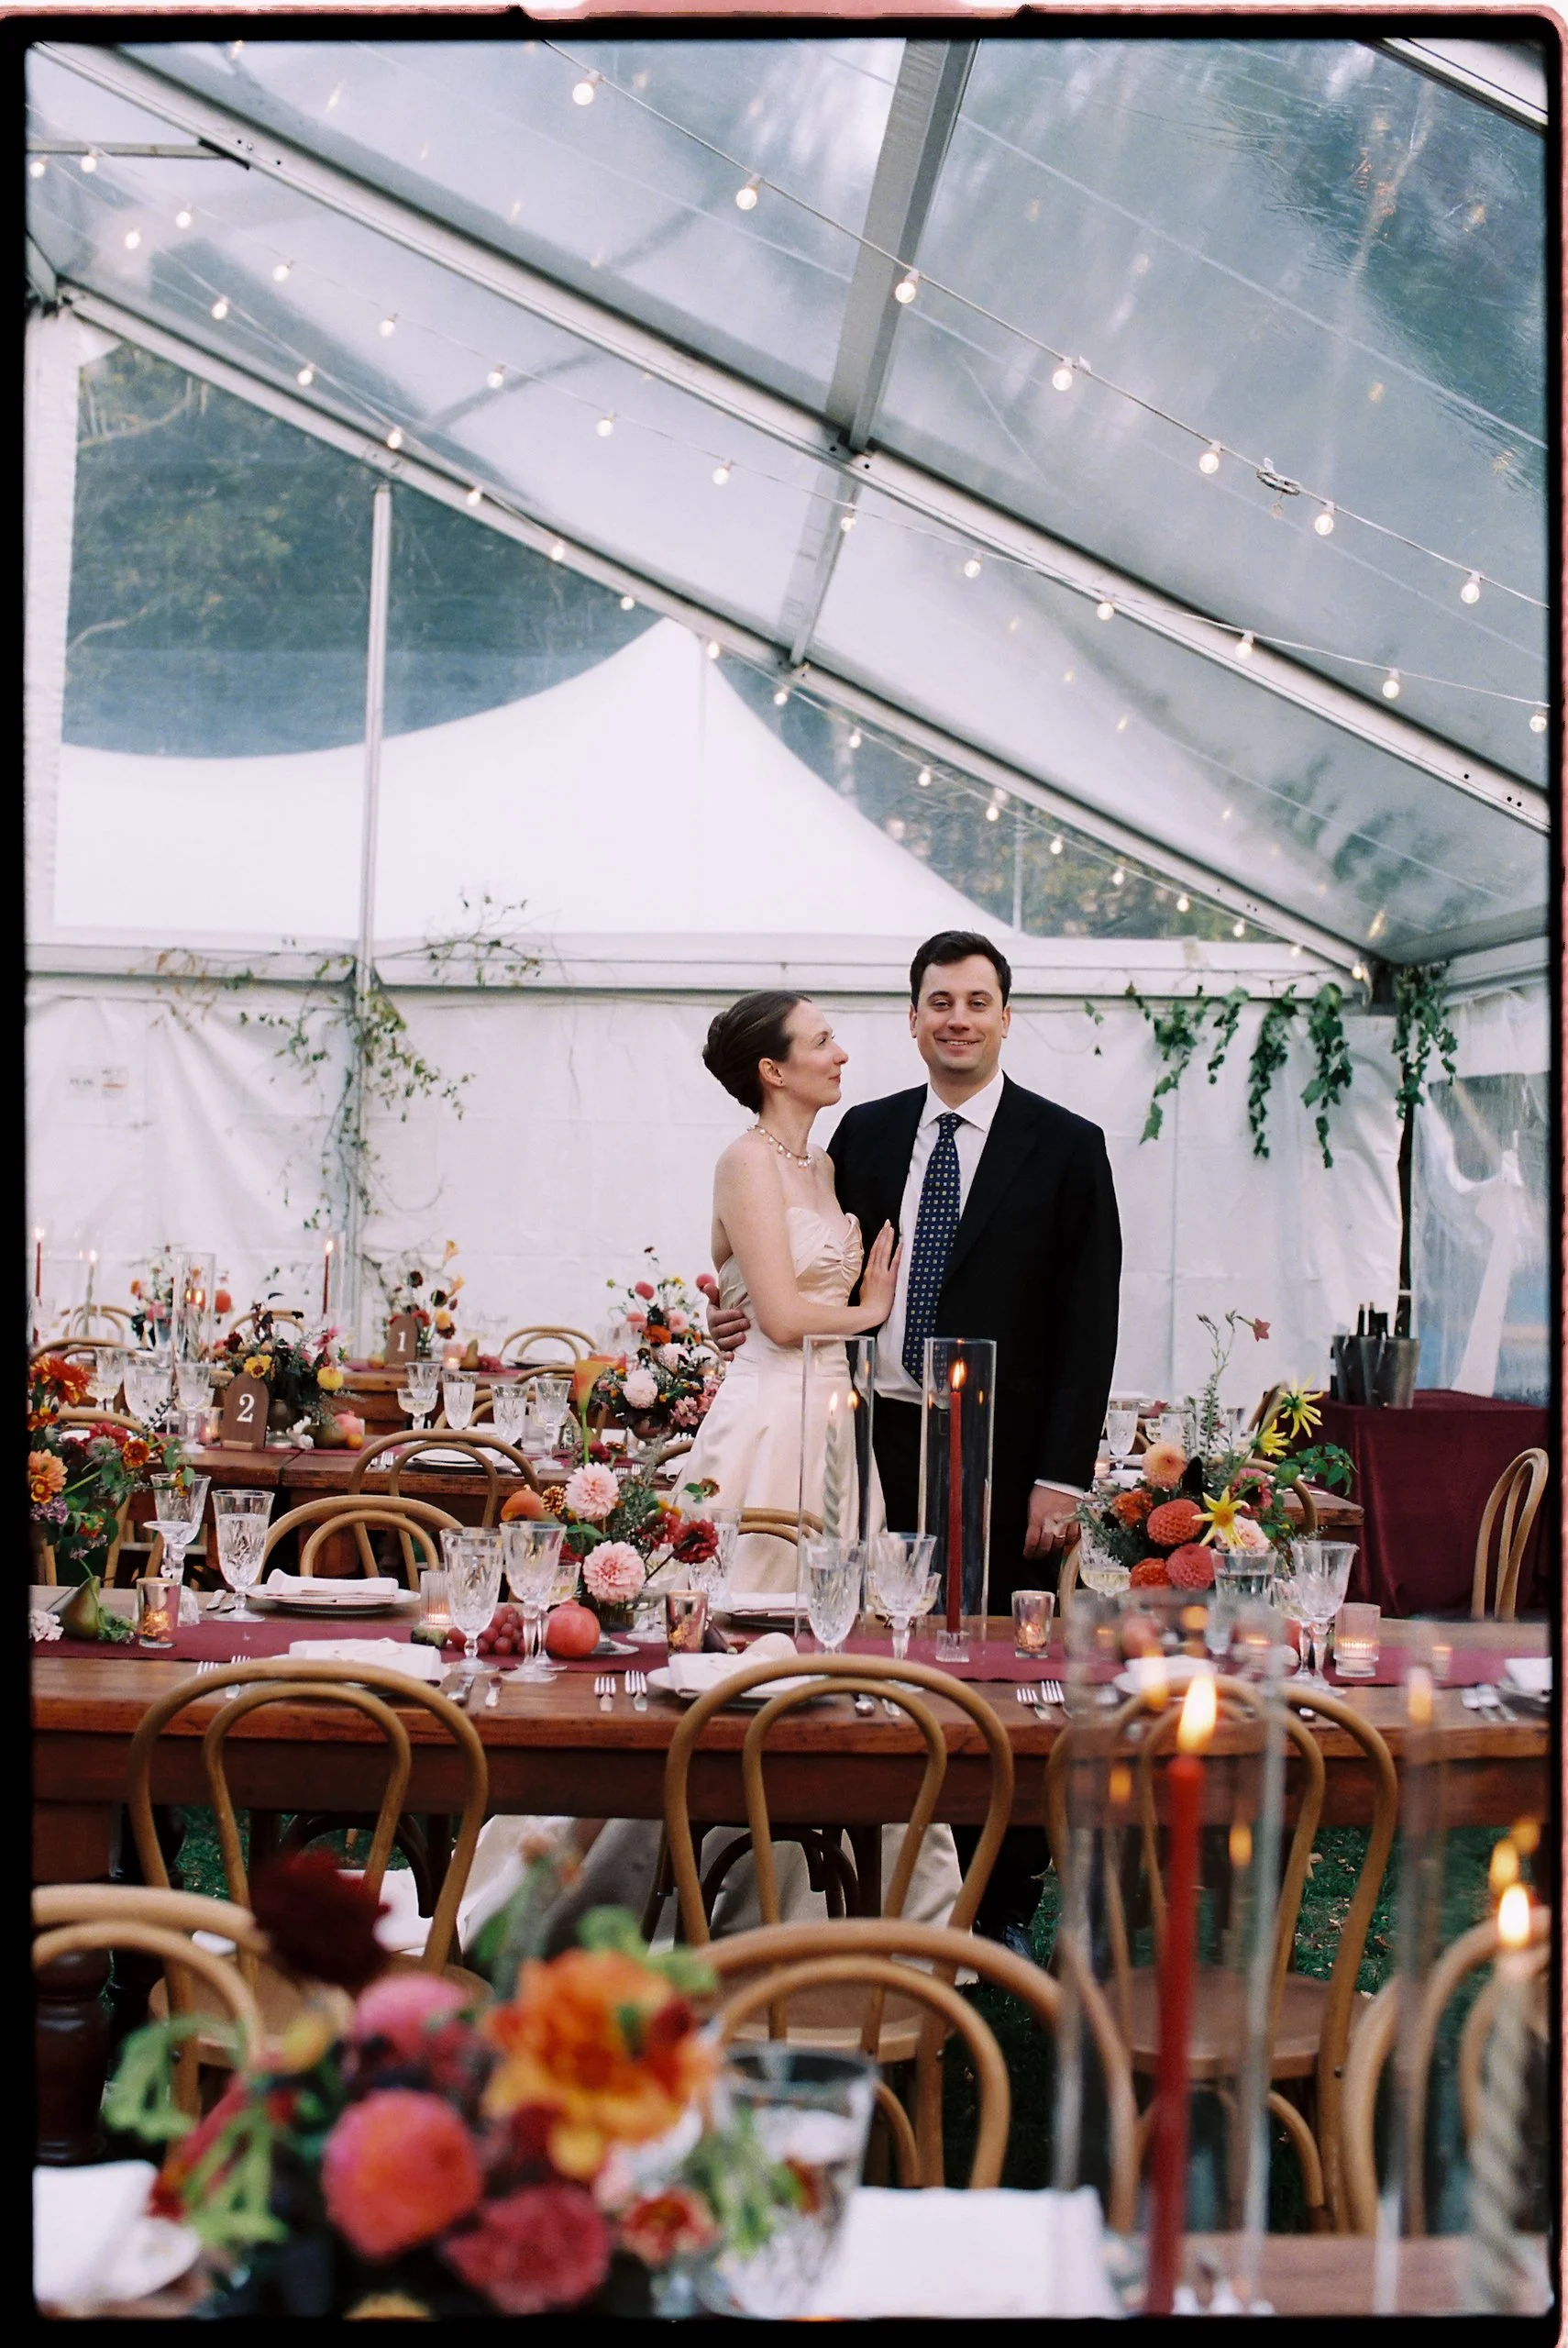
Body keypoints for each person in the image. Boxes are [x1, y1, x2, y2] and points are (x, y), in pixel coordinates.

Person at [707, 931, 1122, 1943]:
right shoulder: (869, 1133)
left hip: (1000, 1449)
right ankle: (863, 1872)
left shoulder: (1068, 1144)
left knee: (994, 1668)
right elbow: (794, 1262)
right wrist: (731, 1304)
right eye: (940, 1001)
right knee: (870, 1658)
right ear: (914, 1016)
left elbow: (1089, 1320)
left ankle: (1001, 1896)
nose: (959, 1019)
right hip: (867, 1434)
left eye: (978, 1001)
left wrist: (1061, 1477)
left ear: (1006, 1016)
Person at [682, 990, 899, 1589]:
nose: (842, 1055)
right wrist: (871, 1309)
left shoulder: (824, 1165)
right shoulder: (746, 1162)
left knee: (834, 1605)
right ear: (773, 1071)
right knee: (750, 1597)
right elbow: (778, 1319)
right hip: (770, 1417)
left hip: (835, 1419)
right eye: (822, 1042)